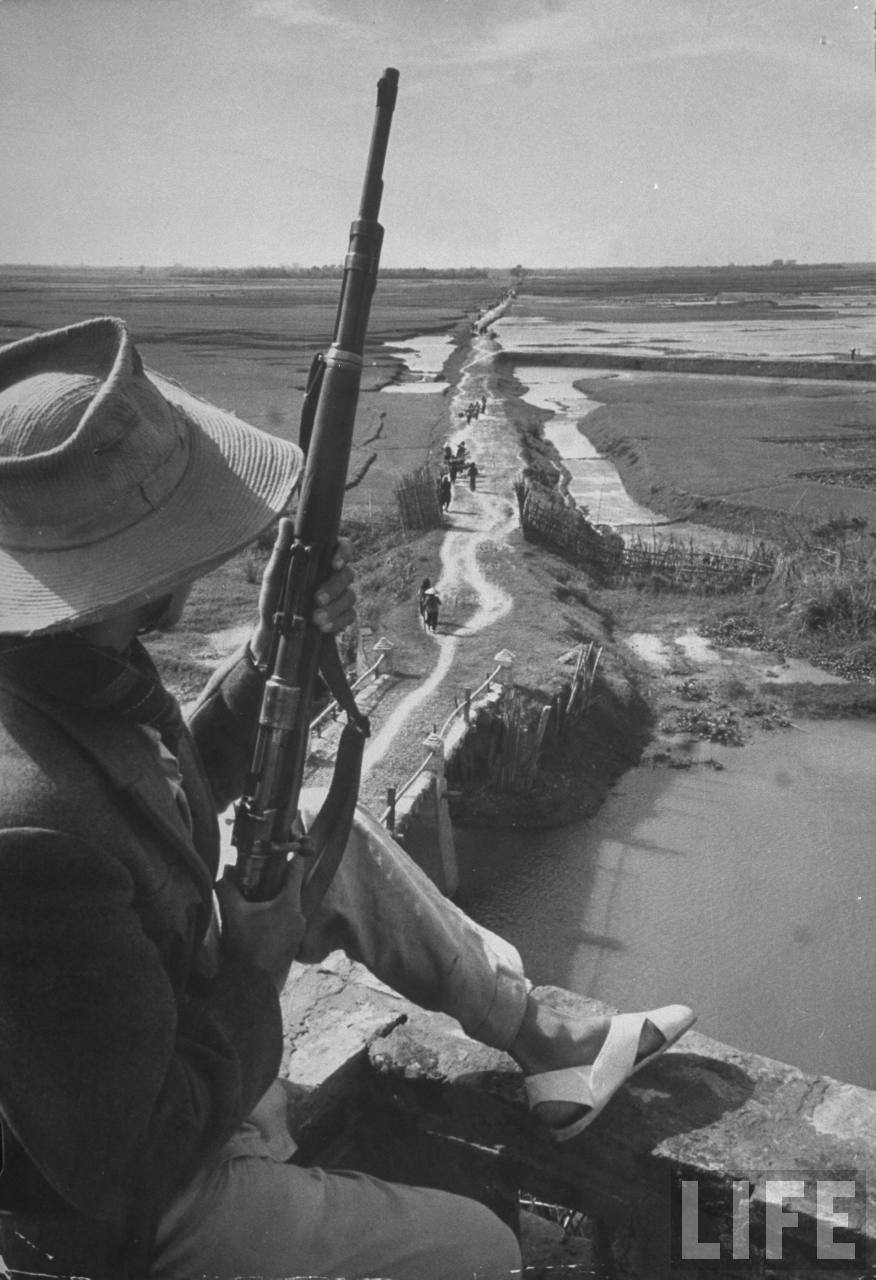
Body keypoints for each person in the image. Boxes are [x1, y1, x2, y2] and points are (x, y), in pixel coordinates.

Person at [0, 317, 695, 1280]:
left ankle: (545, 1040)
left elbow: (162, 787)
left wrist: (272, 654)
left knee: (326, 842)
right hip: (143, 1209)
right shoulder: (31, 832)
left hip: (168, 1036)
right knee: (487, 1250)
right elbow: (128, 1161)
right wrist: (255, 964)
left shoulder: (66, 667)